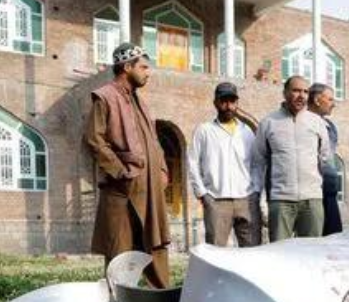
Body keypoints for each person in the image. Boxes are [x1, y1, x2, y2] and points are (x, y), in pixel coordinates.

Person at [85, 42, 171, 288]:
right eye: (143, 67)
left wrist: (162, 169)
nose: (148, 73)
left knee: (155, 246)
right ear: (126, 67)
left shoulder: (140, 102)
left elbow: (153, 141)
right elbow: (94, 140)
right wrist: (121, 172)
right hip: (122, 190)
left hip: (150, 191)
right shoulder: (105, 97)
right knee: (120, 253)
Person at [252, 76, 331, 240]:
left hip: (312, 200)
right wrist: (260, 198)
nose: (301, 96)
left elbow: (324, 156)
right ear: (285, 93)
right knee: (280, 251)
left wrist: (315, 185)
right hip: (280, 200)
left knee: (311, 251)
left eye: (305, 92)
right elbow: (258, 161)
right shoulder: (268, 123)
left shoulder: (317, 122)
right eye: (296, 91)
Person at [187, 81, 258, 247]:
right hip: (216, 200)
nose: (228, 106)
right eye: (223, 101)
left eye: (232, 101)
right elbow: (192, 162)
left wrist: (256, 190)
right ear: (215, 103)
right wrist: (202, 193)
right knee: (216, 252)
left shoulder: (247, 132)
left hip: (246, 199)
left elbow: (256, 163)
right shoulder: (204, 130)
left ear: (237, 103)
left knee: (252, 251)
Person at [307, 83, 343, 235]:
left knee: (334, 235)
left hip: (329, 189)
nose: (334, 104)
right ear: (317, 100)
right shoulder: (302, 123)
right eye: (330, 99)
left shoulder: (330, 126)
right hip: (310, 191)